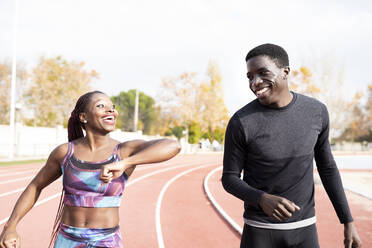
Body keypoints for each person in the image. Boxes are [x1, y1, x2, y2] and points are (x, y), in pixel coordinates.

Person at [222, 44, 362, 248]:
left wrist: (347, 221)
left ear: (285, 71)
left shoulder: (317, 112)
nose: (255, 82)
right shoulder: (241, 121)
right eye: (250, 77)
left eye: (262, 73)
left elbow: (327, 168)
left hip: (305, 231)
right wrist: (261, 199)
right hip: (259, 232)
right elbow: (229, 178)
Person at [0, 90, 181, 248]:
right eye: (101, 106)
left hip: (106, 240)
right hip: (67, 240)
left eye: (112, 106)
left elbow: (173, 146)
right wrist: (10, 227)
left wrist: (125, 163)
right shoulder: (65, 153)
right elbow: (35, 186)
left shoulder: (123, 151)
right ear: (83, 117)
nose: (111, 110)